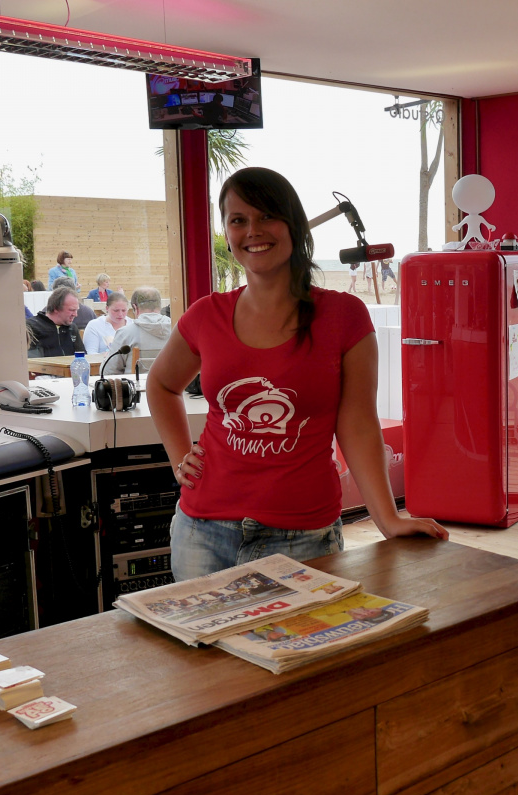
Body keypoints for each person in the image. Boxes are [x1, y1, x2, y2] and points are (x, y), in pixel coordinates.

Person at [145, 166, 446, 580]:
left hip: (301, 536)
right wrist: (180, 459)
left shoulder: (344, 317)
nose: (253, 230)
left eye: (267, 215)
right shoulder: (206, 315)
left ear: (294, 224)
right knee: (201, 647)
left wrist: (387, 519)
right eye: (238, 220)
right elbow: (161, 385)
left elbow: (358, 425)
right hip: (201, 530)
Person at [108, 287, 170, 373]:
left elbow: (109, 371)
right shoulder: (176, 330)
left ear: (135, 307)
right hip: (174, 386)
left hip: (137, 385)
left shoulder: (125, 333)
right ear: (160, 306)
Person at [26, 287, 80, 357]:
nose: (75, 314)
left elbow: (82, 356)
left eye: (76, 310)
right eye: (72, 310)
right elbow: (33, 361)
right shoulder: (32, 327)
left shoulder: (72, 328)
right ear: (56, 308)